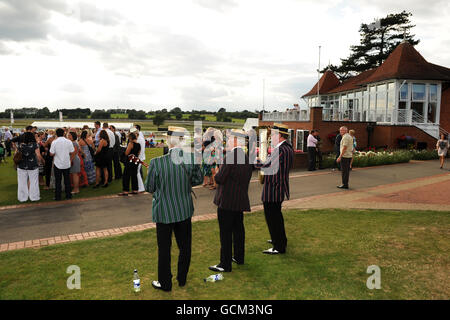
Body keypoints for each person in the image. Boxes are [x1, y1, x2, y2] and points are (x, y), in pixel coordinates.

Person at [145, 126, 203, 292]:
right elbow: (198, 180)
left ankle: (165, 283)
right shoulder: (190, 159)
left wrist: (154, 175)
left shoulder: (157, 163)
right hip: (184, 209)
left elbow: (149, 187)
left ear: (168, 141)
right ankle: (182, 279)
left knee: (164, 249)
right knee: (185, 247)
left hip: (164, 211)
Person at [209, 129, 253, 273]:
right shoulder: (245, 156)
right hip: (239, 199)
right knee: (238, 230)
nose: (227, 140)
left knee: (226, 233)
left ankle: (225, 264)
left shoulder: (232, 156)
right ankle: (239, 257)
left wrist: (217, 170)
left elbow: (220, 178)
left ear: (235, 140)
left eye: (228, 138)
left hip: (227, 200)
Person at [255, 123, 294, 255]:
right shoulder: (286, 147)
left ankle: (279, 246)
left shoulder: (281, 149)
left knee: (273, 217)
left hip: (274, 188)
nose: (271, 136)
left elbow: (268, 166)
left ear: (280, 135)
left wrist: (257, 160)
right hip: (277, 187)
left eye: (273, 134)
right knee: (276, 217)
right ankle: (278, 239)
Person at [16, 132, 45, 202]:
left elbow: (16, 155)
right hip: (33, 166)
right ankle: (34, 197)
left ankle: (22, 198)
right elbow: (38, 155)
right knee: (34, 182)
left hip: (21, 166)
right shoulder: (35, 145)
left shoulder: (20, 145)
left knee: (21, 182)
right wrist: (40, 162)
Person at [49, 128, 75, 201]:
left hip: (58, 164)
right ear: (64, 133)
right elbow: (72, 152)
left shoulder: (54, 142)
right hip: (66, 163)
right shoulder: (68, 141)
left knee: (58, 181)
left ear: (56, 134)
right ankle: (68, 195)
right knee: (67, 180)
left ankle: (58, 197)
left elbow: (51, 153)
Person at [134, 125, 146, 193]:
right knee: (137, 172)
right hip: (140, 157)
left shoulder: (139, 139)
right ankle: (139, 187)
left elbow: (139, 150)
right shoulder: (140, 137)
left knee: (137, 172)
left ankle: (141, 188)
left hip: (139, 157)